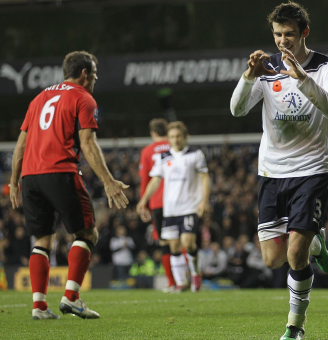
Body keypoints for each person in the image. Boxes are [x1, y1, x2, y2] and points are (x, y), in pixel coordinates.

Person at [230, 2, 328, 338]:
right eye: (278, 34)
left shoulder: (327, 66)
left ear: (304, 32)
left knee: (294, 254)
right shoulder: (266, 70)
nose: (283, 41)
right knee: (272, 260)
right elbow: (237, 110)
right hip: (272, 172)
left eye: (289, 34)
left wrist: (302, 78)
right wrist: (249, 76)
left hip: (312, 169)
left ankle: (295, 326)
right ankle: (317, 244)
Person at [9, 51, 130, 320]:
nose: (95, 80)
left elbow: (21, 144)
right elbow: (87, 143)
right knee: (87, 234)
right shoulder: (83, 97)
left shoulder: (39, 98)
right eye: (95, 75)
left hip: (30, 177)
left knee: (42, 241)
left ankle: (39, 306)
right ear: (84, 74)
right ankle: (72, 297)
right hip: (60, 172)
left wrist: (14, 180)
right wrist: (108, 182)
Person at [137, 121, 210, 293]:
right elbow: (155, 180)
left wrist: (204, 201)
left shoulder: (195, 154)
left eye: (178, 136)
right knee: (174, 247)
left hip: (189, 207)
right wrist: (143, 200)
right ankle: (181, 283)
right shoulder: (163, 157)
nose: (175, 140)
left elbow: (204, 178)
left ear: (185, 137)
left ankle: (195, 274)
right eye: (172, 137)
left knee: (188, 242)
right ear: (168, 138)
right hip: (170, 209)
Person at [138, 118, 176, 292]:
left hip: (157, 202)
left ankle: (172, 282)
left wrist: (143, 203)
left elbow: (145, 178)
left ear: (153, 133)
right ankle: (187, 280)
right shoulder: (175, 145)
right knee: (182, 240)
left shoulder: (147, 151)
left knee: (164, 242)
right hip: (177, 199)